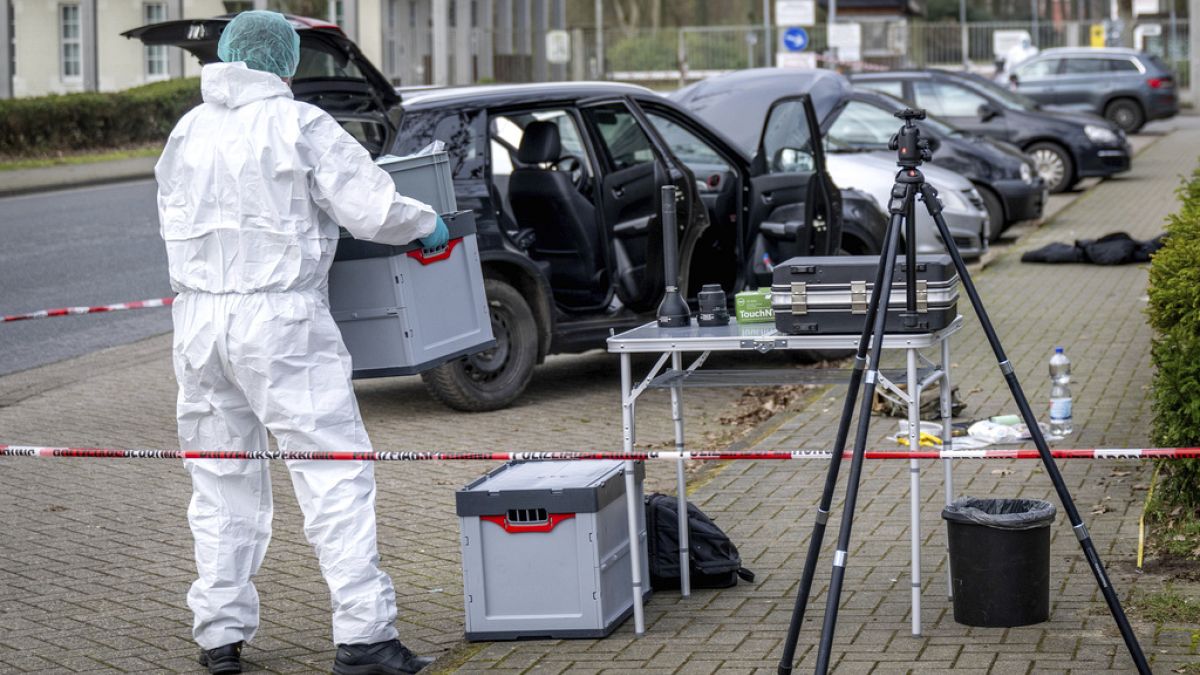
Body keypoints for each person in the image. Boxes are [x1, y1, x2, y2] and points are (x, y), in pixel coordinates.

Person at [154, 11, 447, 675]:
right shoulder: (299, 125)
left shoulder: (188, 131)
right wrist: (426, 222)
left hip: (198, 324)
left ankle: (219, 637)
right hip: (281, 322)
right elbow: (372, 209)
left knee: (219, 477)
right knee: (332, 472)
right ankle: (366, 639)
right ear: (286, 64)